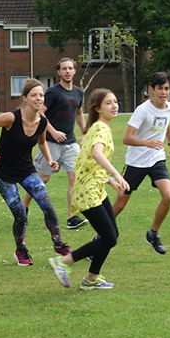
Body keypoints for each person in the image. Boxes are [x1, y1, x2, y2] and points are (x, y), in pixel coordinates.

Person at [0, 78, 70, 266]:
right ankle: (20, 250)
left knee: (47, 205)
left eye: (41, 95)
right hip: (4, 174)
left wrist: (50, 159)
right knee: (20, 214)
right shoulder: (11, 118)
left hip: (27, 170)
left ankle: (58, 243)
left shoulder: (42, 121)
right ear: (25, 98)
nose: (39, 98)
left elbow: (42, 142)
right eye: (34, 95)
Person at [48, 88, 129, 290]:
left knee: (110, 236)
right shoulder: (101, 129)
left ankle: (91, 278)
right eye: (109, 103)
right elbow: (97, 154)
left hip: (95, 190)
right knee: (109, 237)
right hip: (88, 194)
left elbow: (85, 161)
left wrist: (109, 180)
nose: (114, 105)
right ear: (98, 108)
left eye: (115, 101)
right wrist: (118, 174)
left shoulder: (93, 128)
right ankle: (64, 262)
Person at [112, 71, 170, 255]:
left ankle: (153, 234)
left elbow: (166, 123)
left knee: (168, 196)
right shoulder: (142, 110)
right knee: (120, 204)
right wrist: (147, 142)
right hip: (135, 162)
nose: (163, 92)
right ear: (151, 90)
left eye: (166, 89)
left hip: (156, 160)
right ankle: (101, 237)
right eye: (159, 88)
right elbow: (127, 138)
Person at [22, 58, 88, 229]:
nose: (67, 71)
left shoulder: (79, 93)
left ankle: (72, 217)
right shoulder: (52, 92)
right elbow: (40, 113)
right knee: (43, 178)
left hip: (71, 143)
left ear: (74, 71)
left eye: (70, 68)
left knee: (75, 177)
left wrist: (85, 132)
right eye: (64, 69)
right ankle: (23, 208)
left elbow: (79, 113)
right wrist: (52, 131)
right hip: (50, 142)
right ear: (58, 72)